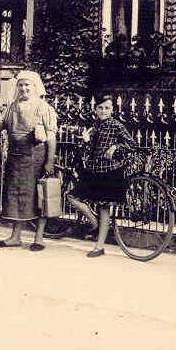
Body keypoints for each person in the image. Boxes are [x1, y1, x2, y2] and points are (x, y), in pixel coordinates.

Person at [0, 70, 58, 252]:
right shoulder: (11, 107)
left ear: (35, 87)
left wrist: (49, 161)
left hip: (36, 160)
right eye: (21, 85)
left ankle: (39, 238)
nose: (24, 88)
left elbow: (51, 138)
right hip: (15, 160)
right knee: (16, 198)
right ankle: (15, 236)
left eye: (28, 85)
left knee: (40, 198)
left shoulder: (43, 108)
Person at [69, 94, 136, 257]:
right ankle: (95, 223)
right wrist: (85, 140)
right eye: (100, 107)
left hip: (110, 171)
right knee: (72, 196)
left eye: (107, 108)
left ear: (112, 110)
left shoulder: (116, 125)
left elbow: (133, 145)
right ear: (95, 109)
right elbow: (91, 150)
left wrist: (116, 147)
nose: (103, 110)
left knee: (104, 207)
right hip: (93, 170)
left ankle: (99, 246)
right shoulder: (95, 125)